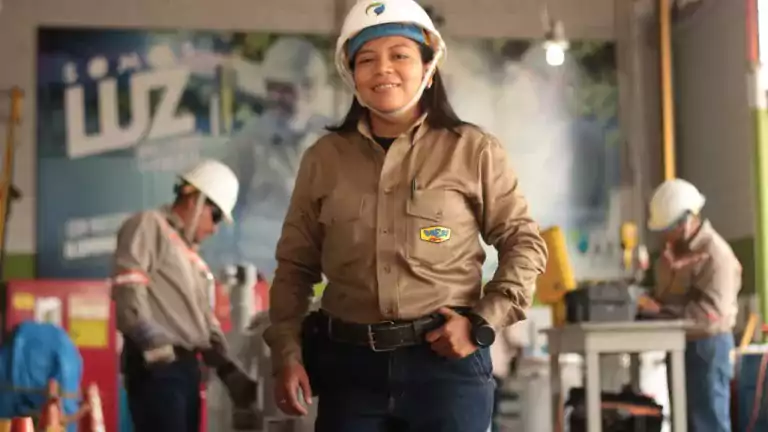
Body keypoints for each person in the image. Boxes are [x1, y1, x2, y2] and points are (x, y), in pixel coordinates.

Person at [262, 1, 549, 430]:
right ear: (351, 74)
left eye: (400, 54)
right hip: (348, 372)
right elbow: (295, 266)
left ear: (428, 65)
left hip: (447, 370)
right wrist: (286, 352)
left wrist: (482, 322)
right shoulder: (324, 159)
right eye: (367, 59)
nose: (383, 70)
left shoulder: (473, 150)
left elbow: (524, 242)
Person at [111, 159, 257, 432]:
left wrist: (229, 371)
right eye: (214, 216)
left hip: (185, 370)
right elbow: (129, 287)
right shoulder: (149, 225)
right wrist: (154, 347)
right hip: (157, 366)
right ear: (195, 200)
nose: (214, 228)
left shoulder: (193, 261)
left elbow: (203, 326)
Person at [637, 178, 741, 432]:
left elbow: (712, 316)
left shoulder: (717, 255)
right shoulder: (673, 252)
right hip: (680, 346)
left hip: (708, 349)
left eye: (668, 229)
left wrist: (660, 311)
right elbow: (668, 295)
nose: (665, 236)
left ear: (685, 222)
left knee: (708, 424)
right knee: (685, 424)